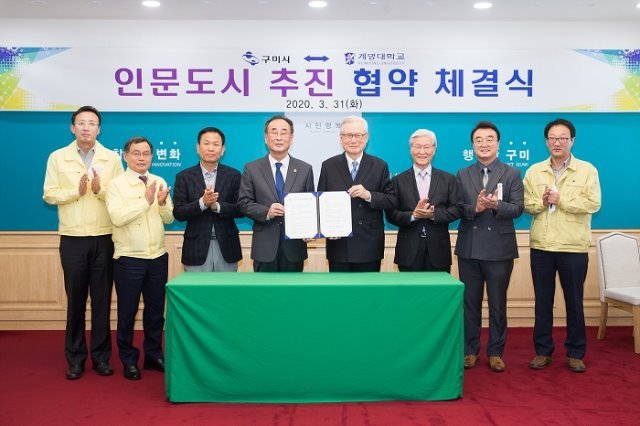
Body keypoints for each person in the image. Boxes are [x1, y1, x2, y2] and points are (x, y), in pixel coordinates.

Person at [43, 105, 124, 380]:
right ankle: (75, 359)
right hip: (73, 238)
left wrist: (100, 191)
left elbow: (120, 195)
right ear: (72, 127)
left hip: (104, 237)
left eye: (91, 123)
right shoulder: (58, 157)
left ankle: (101, 358)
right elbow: (49, 194)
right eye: (81, 123)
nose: (86, 127)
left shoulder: (111, 158)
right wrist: (75, 192)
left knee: (102, 301)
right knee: (75, 301)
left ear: (99, 129)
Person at [524, 118, 601, 373]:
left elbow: (593, 204)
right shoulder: (534, 171)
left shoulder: (587, 170)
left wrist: (562, 200)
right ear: (546, 141)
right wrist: (542, 202)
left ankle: (576, 353)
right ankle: (542, 351)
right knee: (542, 302)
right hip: (542, 247)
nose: (557, 142)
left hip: (573, 248)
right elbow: (526, 205)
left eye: (563, 138)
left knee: (574, 303)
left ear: (572, 141)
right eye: (552, 138)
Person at [455, 121, 524, 373]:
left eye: (489, 139)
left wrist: (496, 206)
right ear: (472, 145)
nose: (484, 144)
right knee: (470, 303)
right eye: (479, 140)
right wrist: (475, 208)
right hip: (470, 248)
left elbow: (518, 208)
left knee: (497, 304)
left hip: (499, 249)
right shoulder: (462, 174)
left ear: (498, 143)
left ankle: (495, 352)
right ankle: (470, 351)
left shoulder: (512, 173)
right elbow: (457, 208)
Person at [106, 136, 174, 380]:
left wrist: (162, 204)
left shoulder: (159, 180)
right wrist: (145, 202)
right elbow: (117, 218)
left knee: (155, 311)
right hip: (129, 258)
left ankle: (153, 354)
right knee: (127, 312)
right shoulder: (116, 185)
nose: (141, 158)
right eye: (136, 153)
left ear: (152, 157)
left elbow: (169, 219)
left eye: (146, 153)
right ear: (125, 156)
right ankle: (128, 359)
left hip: (157, 256)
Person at [317, 115, 396, 272]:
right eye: (348, 135)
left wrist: (369, 195)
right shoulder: (328, 165)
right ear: (341, 138)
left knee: (368, 287)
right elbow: (320, 202)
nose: (353, 140)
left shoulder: (379, 165)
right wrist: (326, 228)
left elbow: (391, 200)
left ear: (366, 137)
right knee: (339, 287)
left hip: (369, 243)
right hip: (339, 243)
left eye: (358, 135)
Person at [237, 115, 314, 272]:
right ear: (266, 138)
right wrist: (267, 212)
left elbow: (310, 205)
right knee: (264, 288)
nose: (279, 137)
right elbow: (243, 203)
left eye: (284, 132)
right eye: (274, 132)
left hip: (294, 247)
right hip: (264, 247)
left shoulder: (305, 169)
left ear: (291, 138)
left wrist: (309, 229)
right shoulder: (252, 168)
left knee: (293, 288)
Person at [386, 129, 461, 272]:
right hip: (408, 251)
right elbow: (391, 214)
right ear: (410, 150)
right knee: (410, 287)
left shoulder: (448, 179)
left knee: (439, 287)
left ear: (434, 150)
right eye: (417, 146)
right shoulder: (398, 181)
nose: (422, 151)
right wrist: (414, 215)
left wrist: (433, 214)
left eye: (426, 147)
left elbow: (457, 209)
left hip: (439, 251)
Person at [173, 127, 243, 272]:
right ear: (198, 147)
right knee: (196, 287)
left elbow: (241, 209)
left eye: (216, 144)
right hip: (196, 247)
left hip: (227, 246)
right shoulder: (184, 176)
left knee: (226, 287)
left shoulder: (234, 175)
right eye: (206, 143)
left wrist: (217, 206)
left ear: (223, 149)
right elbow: (178, 213)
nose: (211, 148)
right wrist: (202, 203)